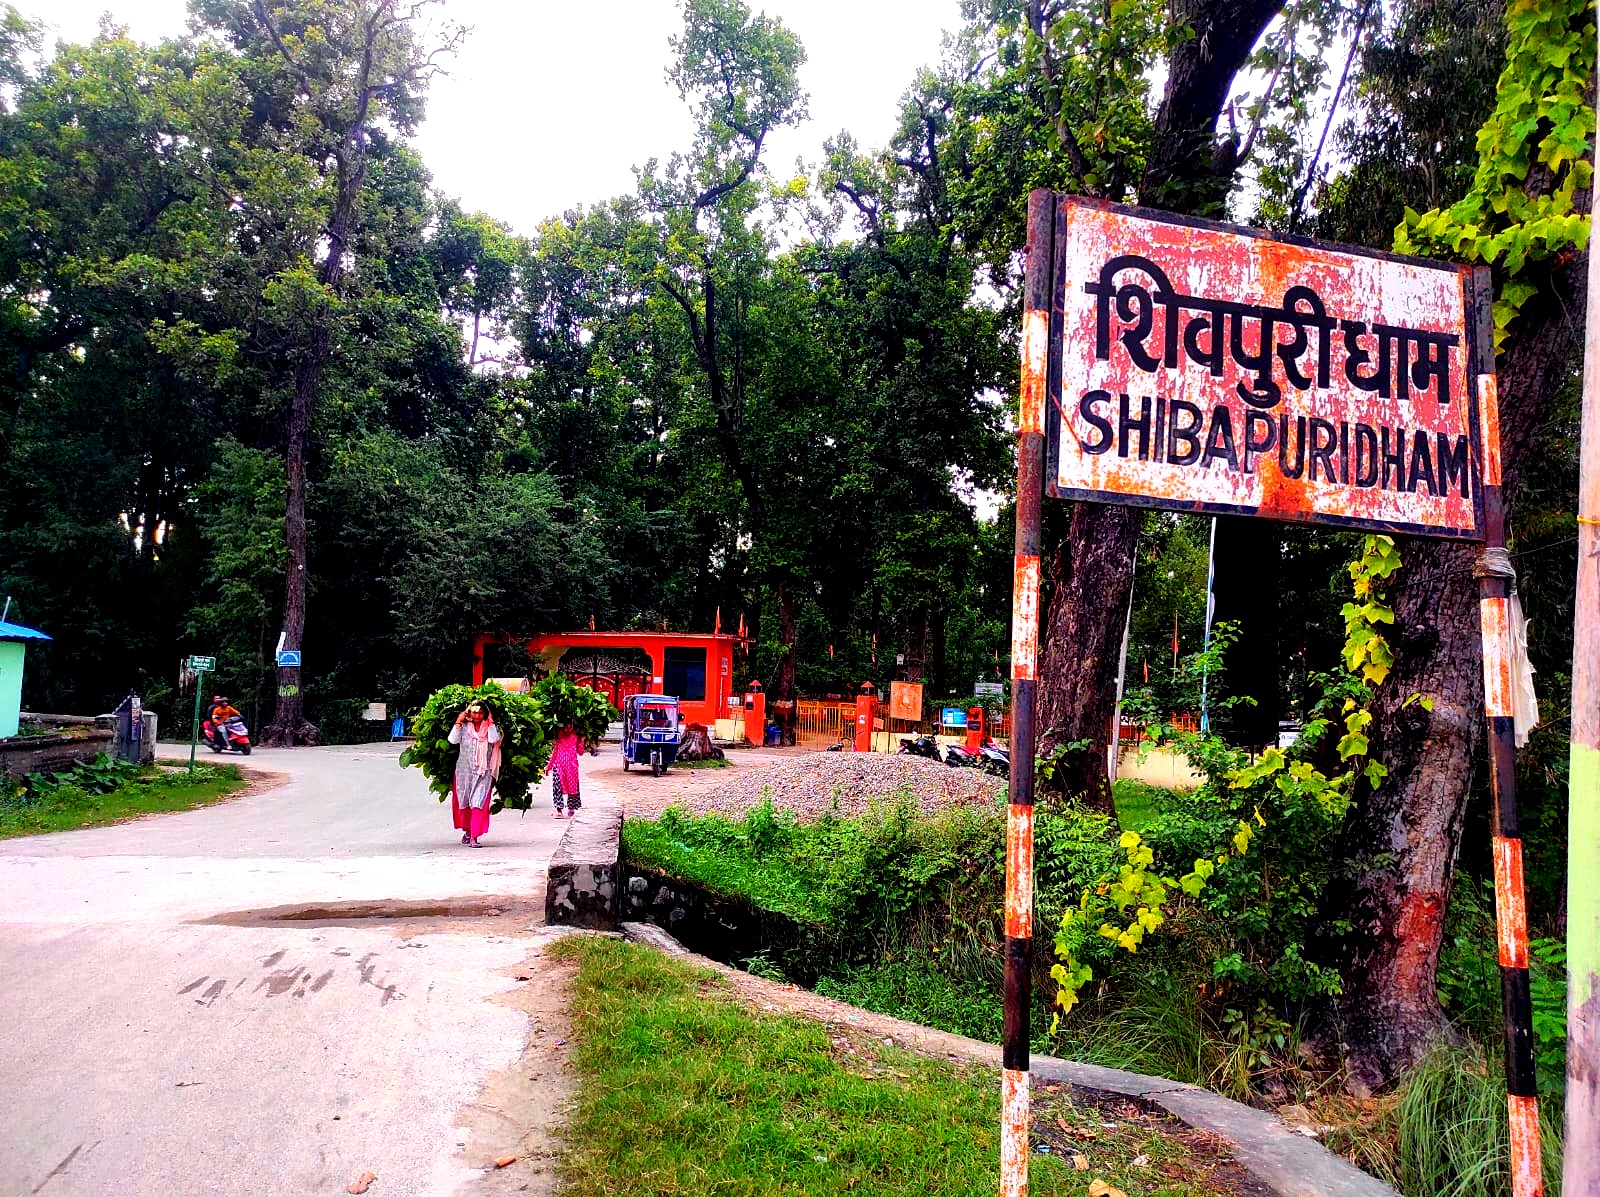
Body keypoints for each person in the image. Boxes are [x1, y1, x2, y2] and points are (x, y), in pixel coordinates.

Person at [447, 701, 501, 847]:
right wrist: (459, 720)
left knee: (478, 803)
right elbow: (452, 740)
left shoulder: (490, 729)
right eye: (475, 712)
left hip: (483, 773)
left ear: (485, 714)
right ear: (469, 713)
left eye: (481, 713)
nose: (477, 716)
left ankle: (474, 837)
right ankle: (468, 831)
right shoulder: (464, 728)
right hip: (464, 773)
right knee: (464, 802)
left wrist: (491, 722)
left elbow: (494, 739)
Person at [549, 724, 584, 819]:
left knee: (573, 788)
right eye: (566, 727)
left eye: (570, 727)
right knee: (557, 788)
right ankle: (559, 810)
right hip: (559, 766)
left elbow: (580, 752)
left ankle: (571, 807)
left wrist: (582, 741)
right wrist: (549, 766)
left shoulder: (576, 736)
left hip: (571, 767)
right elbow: (555, 751)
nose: (568, 729)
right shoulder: (558, 735)